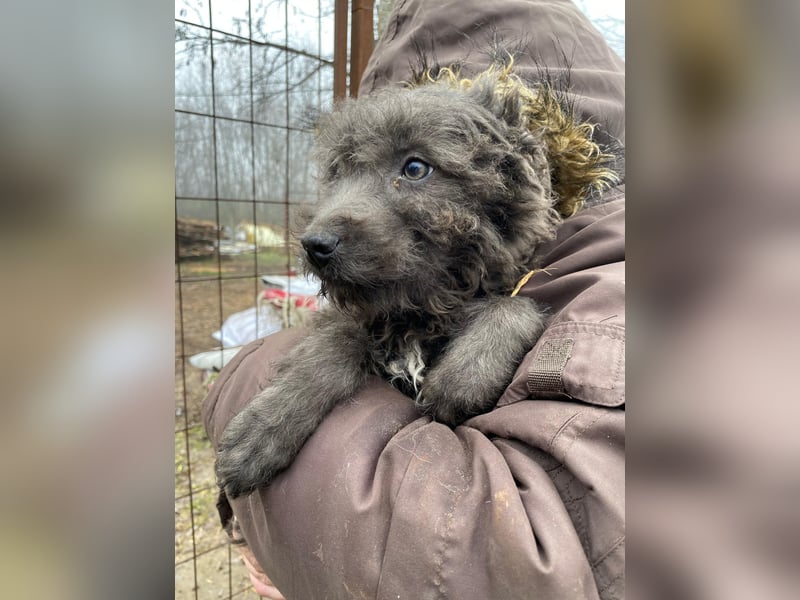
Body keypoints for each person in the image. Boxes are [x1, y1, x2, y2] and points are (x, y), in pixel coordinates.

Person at [203, 0, 624, 598]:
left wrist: (508, 317)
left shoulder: (581, 272)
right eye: (343, 172)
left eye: (415, 168)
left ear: (519, 173)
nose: (324, 221)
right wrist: (304, 383)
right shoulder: (386, 301)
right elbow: (359, 333)